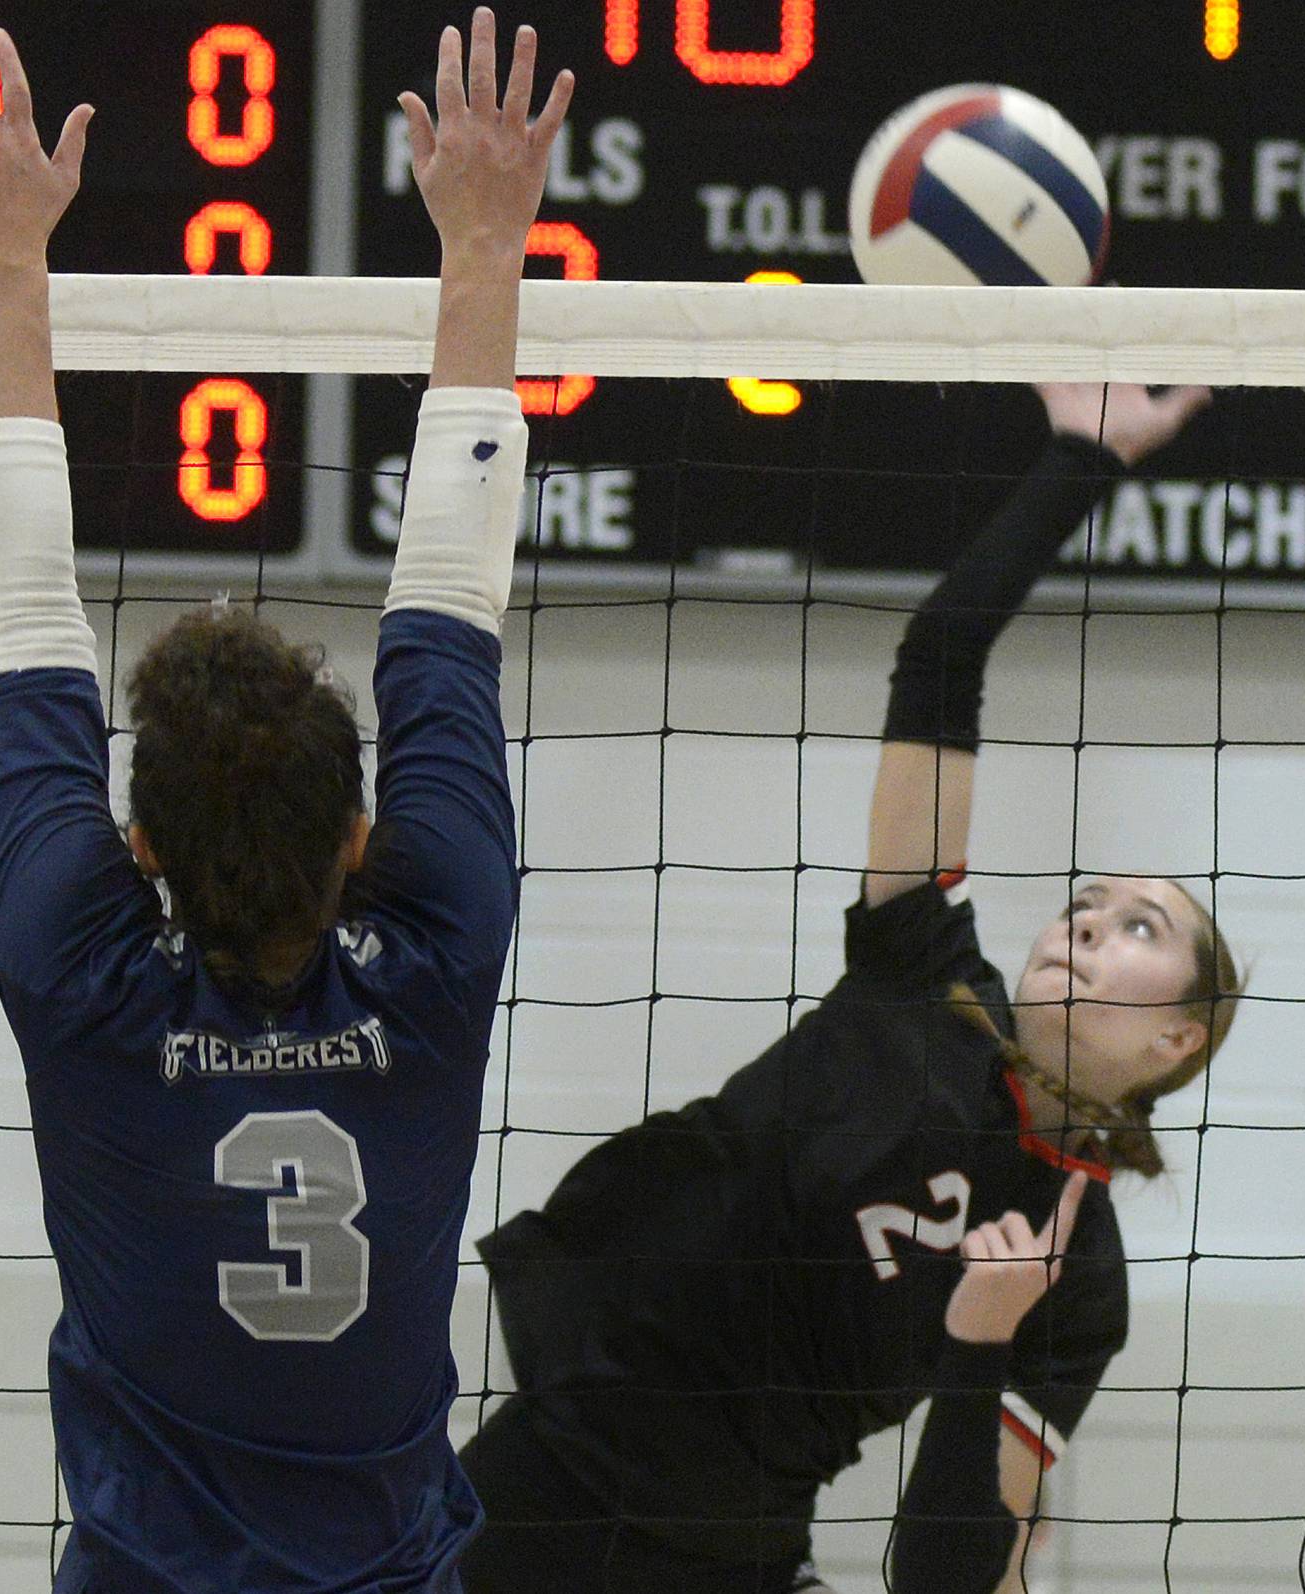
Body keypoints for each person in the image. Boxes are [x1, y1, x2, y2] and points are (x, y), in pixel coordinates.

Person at [0, 11, 571, 1591]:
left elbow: (28, 615)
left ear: (140, 852)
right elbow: (449, 590)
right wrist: (488, 241)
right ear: (361, 841)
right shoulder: (433, 947)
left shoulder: (88, 976)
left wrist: (3, 258)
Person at [457, 380, 1238, 1594]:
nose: (1086, 922)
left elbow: (942, 1578)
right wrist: (1079, 463)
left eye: (1139, 927)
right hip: (563, 1457)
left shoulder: (1078, 1281)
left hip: (734, 1542)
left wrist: (980, 1340)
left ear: (1178, 1041)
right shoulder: (925, 967)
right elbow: (940, 656)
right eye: (1087, 902)